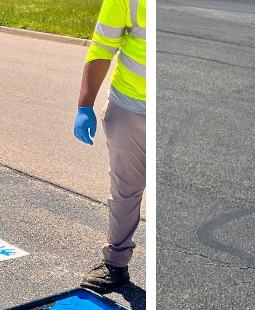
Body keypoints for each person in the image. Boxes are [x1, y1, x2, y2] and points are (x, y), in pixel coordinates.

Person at [74, 0, 146, 293]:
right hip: (130, 107)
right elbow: (103, 46)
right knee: (125, 189)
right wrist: (84, 105)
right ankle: (115, 263)